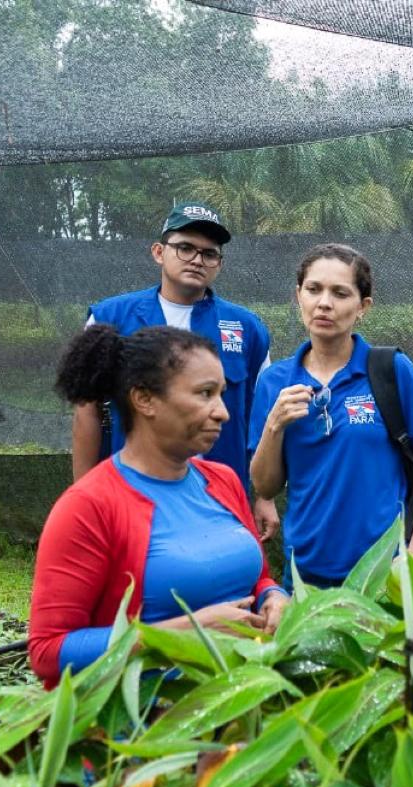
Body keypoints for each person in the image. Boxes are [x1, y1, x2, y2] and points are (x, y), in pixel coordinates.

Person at [30, 325, 286, 689]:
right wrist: (180, 632)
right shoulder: (89, 507)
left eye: (222, 394)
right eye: (205, 394)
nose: (223, 413)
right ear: (145, 399)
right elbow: (48, 652)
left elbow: (258, 577)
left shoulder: (223, 480)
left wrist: (274, 596)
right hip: (146, 730)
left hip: (241, 713)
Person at [74, 202, 278, 541]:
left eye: (209, 253)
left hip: (219, 498)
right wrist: (82, 498)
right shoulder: (111, 318)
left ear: (219, 264)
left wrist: (264, 496)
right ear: (158, 252)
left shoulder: (246, 328)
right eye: (185, 248)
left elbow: (262, 420)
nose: (197, 259)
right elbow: (86, 413)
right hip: (134, 494)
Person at [249, 244, 413, 584]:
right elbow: (265, 485)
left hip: (384, 573)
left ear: (363, 306)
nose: (324, 302)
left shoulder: (390, 370)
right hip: (304, 577)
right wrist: (274, 425)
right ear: (299, 296)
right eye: (314, 289)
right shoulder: (275, 382)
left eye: (340, 293)